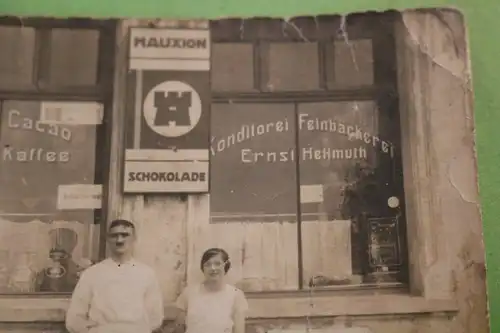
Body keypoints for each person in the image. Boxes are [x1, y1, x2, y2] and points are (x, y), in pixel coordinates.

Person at [65, 219, 164, 333]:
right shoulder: (92, 274)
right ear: (108, 239)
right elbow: (75, 316)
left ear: (134, 238)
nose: (119, 240)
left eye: (125, 235)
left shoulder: (146, 274)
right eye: (114, 236)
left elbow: (155, 316)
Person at [172, 248, 248, 333]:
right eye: (208, 264)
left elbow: (239, 331)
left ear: (226, 266)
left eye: (217, 264)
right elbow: (179, 328)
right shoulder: (189, 293)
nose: (213, 268)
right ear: (203, 268)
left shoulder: (236, 295)